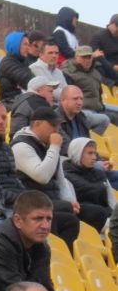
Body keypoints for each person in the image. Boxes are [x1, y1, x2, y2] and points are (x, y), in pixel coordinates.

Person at [12, 104, 106, 236]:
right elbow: (42, 176)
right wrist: (55, 147)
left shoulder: (48, 145)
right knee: (68, 217)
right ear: (37, 124)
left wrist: (70, 200)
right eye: (52, 125)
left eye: (57, 126)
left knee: (97, 213)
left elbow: (61, 179)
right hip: (34, 201)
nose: (56, 130)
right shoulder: (21, 145)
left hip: (52, 199)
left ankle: (82, 246)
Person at [65, 138, 117, 219]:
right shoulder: (66, 176)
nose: (94, 157)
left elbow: (112, 201)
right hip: (88, 220)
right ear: (77, 153)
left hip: (108, 217)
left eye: (95, 153)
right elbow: (74, 208)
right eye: (90, 153)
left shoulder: (100, 174)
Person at [63, 45, 115, 125]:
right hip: (82, 111)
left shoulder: (95, 72)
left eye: (89, 57)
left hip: (99, 108)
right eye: (83, 57)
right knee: (105, 119)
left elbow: (99, 94)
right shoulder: (68, 73)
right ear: (76, 57)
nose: (87, 60)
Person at [0, 31, 40, 106]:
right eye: (25, 44)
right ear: (15, 45)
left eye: (29, 45)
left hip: (22, 101)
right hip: (11, 103)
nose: (28, 48)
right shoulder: (8, 63)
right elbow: (29, 80)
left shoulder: (22, 61)